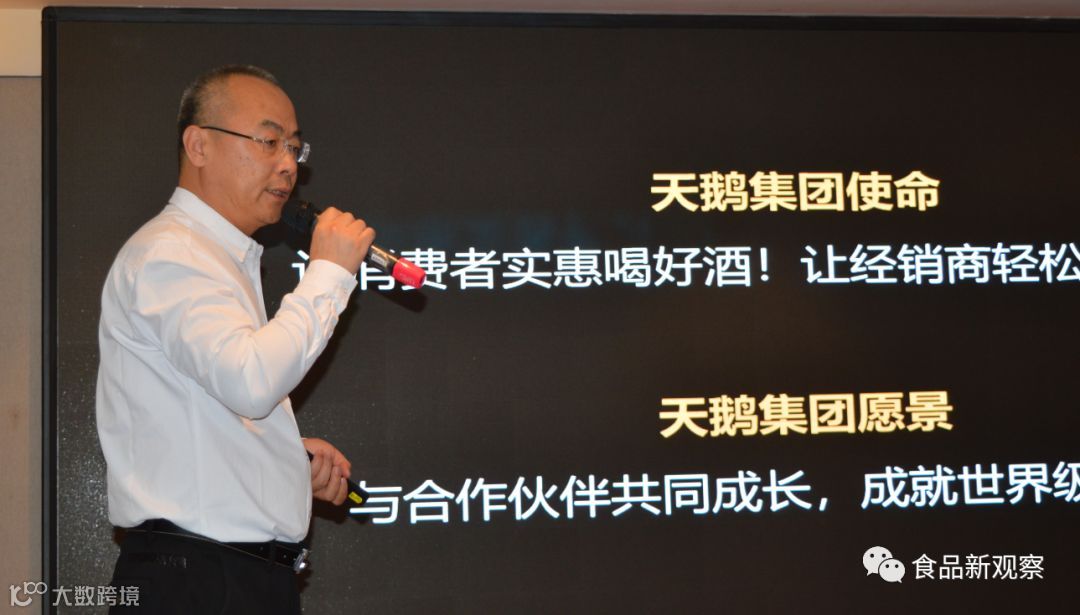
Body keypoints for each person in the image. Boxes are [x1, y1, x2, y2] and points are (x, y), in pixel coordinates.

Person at [95, 64, 375, 614]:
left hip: (233, 578)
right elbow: (250, 381)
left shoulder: (218, 256)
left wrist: (282, 457)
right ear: (198, 145)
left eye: (294, 147)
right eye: (269, 141)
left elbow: (213, 400)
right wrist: (328, 274)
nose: (288, 164)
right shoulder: (172, 253)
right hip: (196, 582)